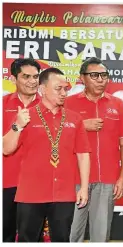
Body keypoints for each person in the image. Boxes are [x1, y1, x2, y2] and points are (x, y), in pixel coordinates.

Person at [2, 68, 91, 242]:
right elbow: (6, 149)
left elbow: (83, 154)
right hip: (31, 193)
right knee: (27, 239)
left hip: (64, 193)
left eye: (66, 88)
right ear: (43, 90)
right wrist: (17, 126)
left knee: (61, 239)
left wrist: (85, 188)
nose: (64, 93)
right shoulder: (26, 116)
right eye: (58, 88)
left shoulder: (74, 119)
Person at [65, 57, 123, 242]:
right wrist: (81, 125)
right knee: (72, 232)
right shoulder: (68, 104)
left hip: (107, 179)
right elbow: (57, 138)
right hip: (75, 179)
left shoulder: (118, 105)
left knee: (101, 235)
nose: (101, 80)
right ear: (82, 78)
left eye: (104, 75)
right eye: (94, 75)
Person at [2, 58, 41, 242]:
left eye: (35, 77)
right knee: (5, 234)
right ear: (13, 79)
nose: (32, 81)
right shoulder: (2, 104)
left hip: (37, 183)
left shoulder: (50, 106)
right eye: (26, 76)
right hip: (7, 181)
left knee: (32, 237)